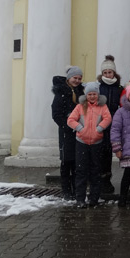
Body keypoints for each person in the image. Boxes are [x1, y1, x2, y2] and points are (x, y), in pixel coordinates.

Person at [67, 82, 112, 208]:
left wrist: (99, 128)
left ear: (98, 95)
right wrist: (80, 128)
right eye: (90, 94)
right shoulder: (80, 107)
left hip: (96, 143)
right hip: (82, 142)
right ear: (86, 95)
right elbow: (70, 120)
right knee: (81, 171)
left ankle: (94, 198)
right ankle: (80, 198)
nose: (92, 96)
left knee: (95, 171)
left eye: (94, 94)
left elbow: (107, 118)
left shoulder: (102, 107)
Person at [51, 65, 85, 200]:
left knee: (77, 163)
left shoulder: (81, 91)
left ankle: (76, 189)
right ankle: (66, 190)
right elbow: (56, 113)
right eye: (74, 78)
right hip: (67, 133)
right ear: (69, 78)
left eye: (79, 78)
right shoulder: (61, 92)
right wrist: (67, 126)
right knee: (66, 161)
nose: (76, 80)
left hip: (79, 132)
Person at [97, 55, 121, 194]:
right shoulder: (99, 87)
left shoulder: (119, 87)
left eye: (109, 72)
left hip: (114, 123)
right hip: (101, 124)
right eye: (105, 72)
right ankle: (101, 181)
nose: (107, 74)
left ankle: (107, 179)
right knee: (101, 153)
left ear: (114, 73)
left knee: (109, 153)